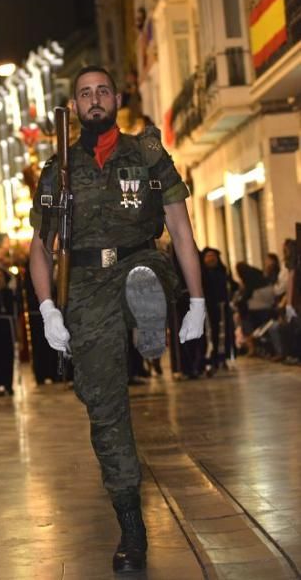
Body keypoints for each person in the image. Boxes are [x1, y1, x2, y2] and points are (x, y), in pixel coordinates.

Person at [29, 66, 204, 573]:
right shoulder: (57, 170)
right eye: (85, 94)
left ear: (118, 98)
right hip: (84, 288)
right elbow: (42, 248)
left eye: (102, 90)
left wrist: (197, 301)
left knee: (145, 274)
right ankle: (132, 528)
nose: (95, 99)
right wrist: (47, 308)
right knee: (103, 406)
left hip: (138, 261)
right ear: (76, 106)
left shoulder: (147, 154)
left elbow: (182, 233)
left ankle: (148, 314)